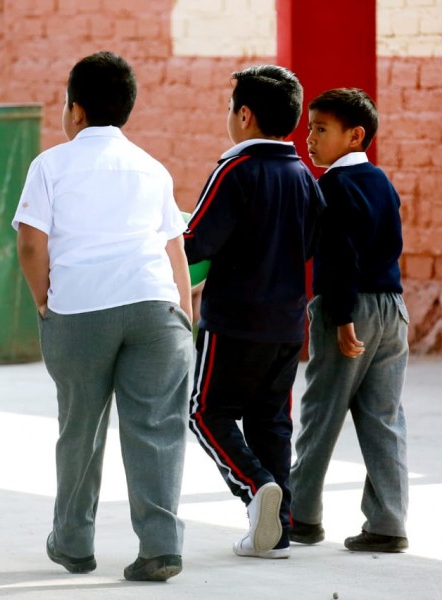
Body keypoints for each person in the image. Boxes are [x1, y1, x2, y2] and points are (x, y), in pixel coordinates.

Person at [13, 51, 194, 582]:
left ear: (75, 110)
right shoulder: (152, 167)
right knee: (157, 428)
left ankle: (72, 544)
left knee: (81, 428)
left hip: (81, 310)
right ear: (127, 111)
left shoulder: (50, 164)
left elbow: (29, 244)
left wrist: (43, 299)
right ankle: (160, 548)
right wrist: (183, 316)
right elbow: (174, 251)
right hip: (155, 309)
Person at [185, 65, 325, 560]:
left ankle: (255, 487)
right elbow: (312, 242)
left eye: (230, 108)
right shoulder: (304, 177)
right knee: (271, 422)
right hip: (287, 325)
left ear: (243, 115)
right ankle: (277, 531)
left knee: (205, 413)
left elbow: (196, 239)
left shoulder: (234, 170)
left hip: (233, 324)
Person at [290, 88, 410, 553]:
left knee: (322, 410)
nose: (310, 140)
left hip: (350, 310)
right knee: (384, 418)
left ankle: (302, 515)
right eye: (309, 129)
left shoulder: (332, 188)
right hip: (392, 309)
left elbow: (338, 259)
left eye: (321, 129)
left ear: (355, 135)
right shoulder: (380, 180)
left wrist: (340, 319)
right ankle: (387, 522)